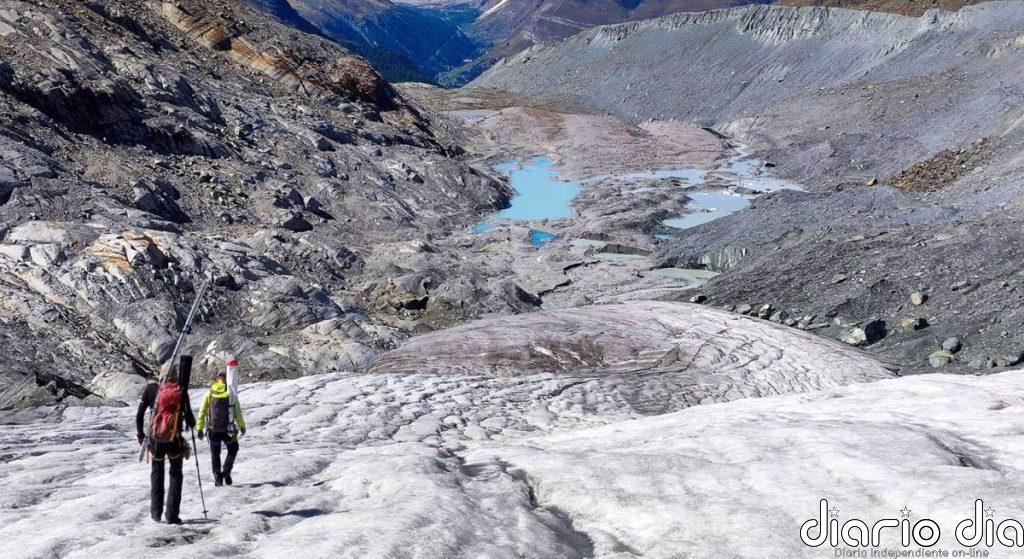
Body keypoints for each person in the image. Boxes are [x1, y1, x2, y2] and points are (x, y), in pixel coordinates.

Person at [136, 362, 195, 524]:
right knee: (176, 474)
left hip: (155, 440)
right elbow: (189, 416)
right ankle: (172, 515)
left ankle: (156, 514)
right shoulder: (180, 391)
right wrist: (192, 425)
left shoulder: (151, 389)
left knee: (157, 473)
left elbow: (139, 415)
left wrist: (141, 434)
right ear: (176, 376)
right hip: (174, 439)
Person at [196, 370, 246, 486]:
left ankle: (217, 476)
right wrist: (242, 426)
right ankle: (226, 471)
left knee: (215, 453)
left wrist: (199, 428)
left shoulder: (210, 393)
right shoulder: (230, 393)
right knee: (233, 448)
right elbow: (237, 412)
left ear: (217, 379)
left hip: (213, 430)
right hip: (228, 430)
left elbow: (202, 411)